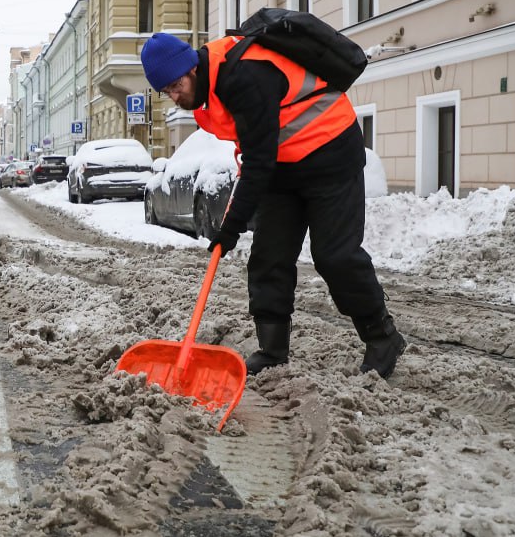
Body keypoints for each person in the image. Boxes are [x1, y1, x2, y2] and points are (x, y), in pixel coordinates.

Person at [139, 29, 406, 378]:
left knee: (335, 255)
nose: (174, 96)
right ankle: (272, 349)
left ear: (191, 69)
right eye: (166, 91)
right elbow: (256, 154)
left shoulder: (243, 77)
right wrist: (233, 223)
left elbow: (258, 163)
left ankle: (382, 336)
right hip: (285, 165)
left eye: (176, 86)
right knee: (268, 256)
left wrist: (230, 227)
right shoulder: (214, 84)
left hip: (331, 155)